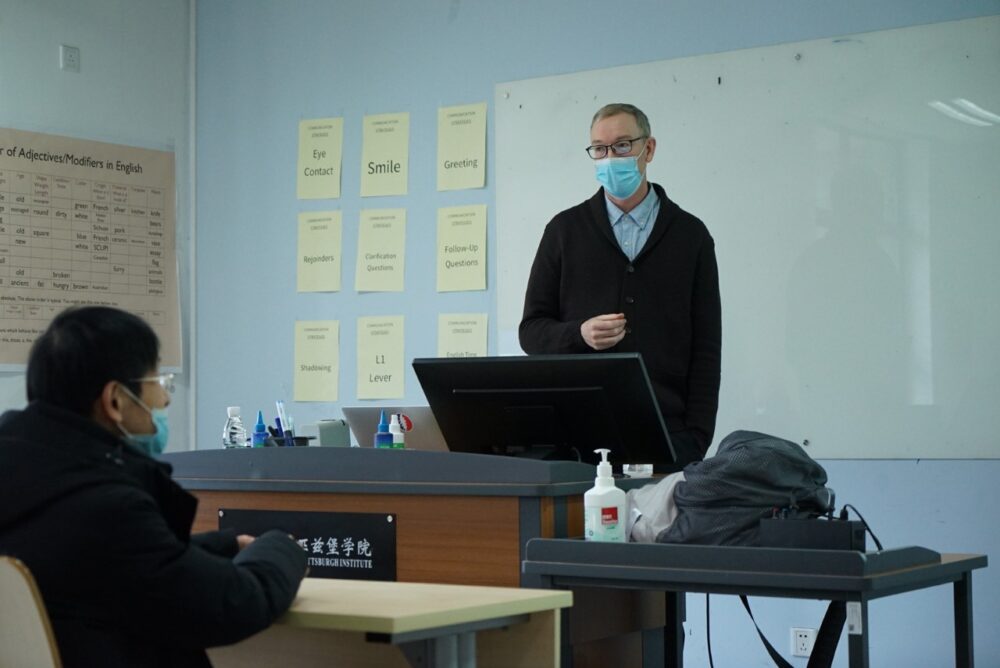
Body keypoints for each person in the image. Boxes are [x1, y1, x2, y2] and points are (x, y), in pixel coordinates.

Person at [0, 306, 308, 667]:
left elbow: (114, 561)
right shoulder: (108, 508)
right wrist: (281, 548)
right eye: (158, 383)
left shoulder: (38, 486)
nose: (166, 400)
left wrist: (224, 545)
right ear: (115, 400)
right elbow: (233, 603)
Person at [519, 103, 721, 469]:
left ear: (649, 148)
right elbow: (531, 332)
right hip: (578, 438)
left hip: (669, 437)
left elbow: (707, 347)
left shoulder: (691, 236)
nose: (610, 158)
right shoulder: (564, 231)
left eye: (623, 145)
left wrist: (697, 437)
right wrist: (579, 334)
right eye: (600, 149)